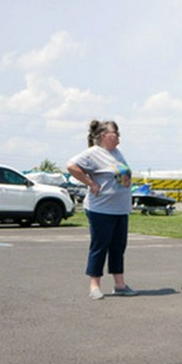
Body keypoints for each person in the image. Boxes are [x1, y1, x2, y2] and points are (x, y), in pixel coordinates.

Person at [67, 119, 135, 300]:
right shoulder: (94, 153)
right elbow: (71, 166)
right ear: (105, 136)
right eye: (116, 133)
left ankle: (119, 284)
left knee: (118, 247)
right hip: (101, 209)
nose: (119, 137)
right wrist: (90, 183)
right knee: (100, 246)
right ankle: (94, 285)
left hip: (120, 209)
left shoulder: (117, 153)